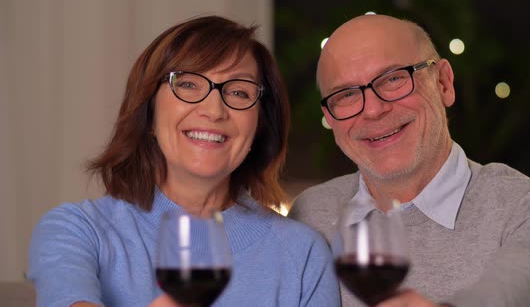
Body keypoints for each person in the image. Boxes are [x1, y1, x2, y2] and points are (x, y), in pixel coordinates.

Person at [28, 15, 340, 307]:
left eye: (239, 92)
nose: (214, 110)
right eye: (189, 84)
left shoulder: (303, 253)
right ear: (148, 112)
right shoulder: (77, 230)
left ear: (260, 125)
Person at [288, 14, 530, 307]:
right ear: (330, 117)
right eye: (347, 94)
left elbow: (520, 293)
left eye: (393, 79)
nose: (374, 110)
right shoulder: (310, 213)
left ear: (444, 83)